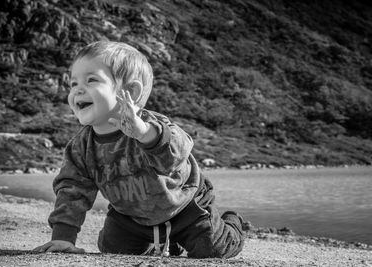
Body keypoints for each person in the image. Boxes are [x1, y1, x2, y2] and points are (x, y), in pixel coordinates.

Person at [33, 40, 245, 258]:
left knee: (212, 249)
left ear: (130, 92)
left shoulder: (152, 126)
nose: (77, 90)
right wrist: (63, 237)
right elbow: (72, 190)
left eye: (91, 80)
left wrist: (144, 134)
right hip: (131, 216)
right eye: (73, 84)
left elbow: (178, 153)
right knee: (111, 249)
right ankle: (160, 242)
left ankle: (233, 223)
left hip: (184, 205)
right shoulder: (81, 147)